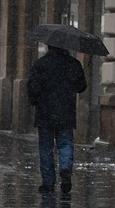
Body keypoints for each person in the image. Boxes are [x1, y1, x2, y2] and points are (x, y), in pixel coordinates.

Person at [27, 43, 87, 195]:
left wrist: (34, 100)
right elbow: (81, 87)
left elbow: (33, 87)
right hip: (66, 111)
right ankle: (66, 169)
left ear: (49, 47)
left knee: (46, 147)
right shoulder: (73, 64)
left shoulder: (41, 64)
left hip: (45, 111)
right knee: (65, 143)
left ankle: (48, 183)